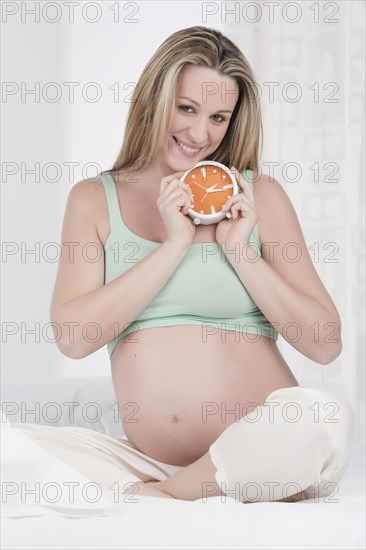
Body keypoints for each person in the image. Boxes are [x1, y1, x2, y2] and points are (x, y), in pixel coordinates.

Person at [12, 26, 354, 504]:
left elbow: (325, 345)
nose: (200, 134)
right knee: (9, 449)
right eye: (187, 108)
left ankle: (159, 499)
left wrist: (241, 251)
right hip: (147, 463)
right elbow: (73, 338)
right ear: (155, 99)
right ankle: (174, 490)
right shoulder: (93, 199)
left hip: (261, 454)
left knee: (321, 418)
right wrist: (174, 245)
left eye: (218, 117)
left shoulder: (261, 197)